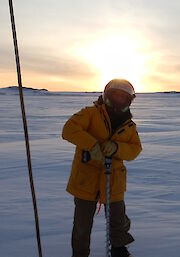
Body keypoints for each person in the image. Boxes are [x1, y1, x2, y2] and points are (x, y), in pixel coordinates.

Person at [62, 79, 142, 257]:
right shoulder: (90, 114)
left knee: (118, 220)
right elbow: (68, 129)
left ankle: (119, 249)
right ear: (107, 96)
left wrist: (117, 149)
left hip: (114, 180)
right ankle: (80, 254)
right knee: (82, 225)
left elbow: (135, 149)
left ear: (129, 100)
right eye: (116, 95)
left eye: (123, 97)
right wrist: (92, 145)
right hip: (86, 180)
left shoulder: (129, 126)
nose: (119, 100)